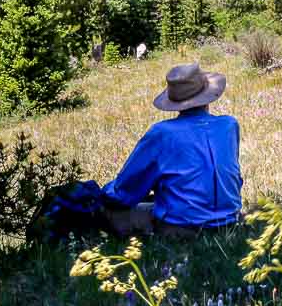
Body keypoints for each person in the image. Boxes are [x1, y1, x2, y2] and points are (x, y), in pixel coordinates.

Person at [101, 62, 243, 237]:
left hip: (182, 227)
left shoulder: (162, 133)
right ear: (207, 97)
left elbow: (125, 192)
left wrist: (103, 193)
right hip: (229, 221)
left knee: (108, 211)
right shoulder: (229, 125)